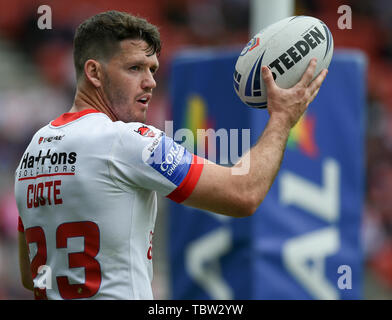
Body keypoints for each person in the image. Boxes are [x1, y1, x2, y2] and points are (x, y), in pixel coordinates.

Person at [14, 10, 328, 300]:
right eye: (134, 68)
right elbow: (243, 193)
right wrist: (282, 117)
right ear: (94, 72)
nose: (150, 82)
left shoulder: (32, 152)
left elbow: (31, 275)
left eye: (152, 69)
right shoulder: (126, 141)